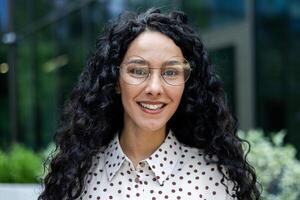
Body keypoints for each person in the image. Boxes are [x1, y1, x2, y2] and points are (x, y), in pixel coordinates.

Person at [38, 8, 261, 200]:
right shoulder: (76, 176)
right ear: (116, 81)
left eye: (171, 72)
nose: (154, 88)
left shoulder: (215, 179)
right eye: (138, 71)